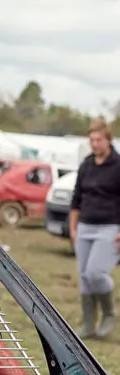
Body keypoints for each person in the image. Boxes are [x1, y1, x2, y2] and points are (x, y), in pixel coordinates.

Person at [70, 120, 120, 340]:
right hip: (85, 226)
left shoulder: (118, 165)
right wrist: (73, 228)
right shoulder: (87, 164)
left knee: (96, 273)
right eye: (91, 140)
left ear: (108, 140)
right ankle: (89, 324)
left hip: (109, 227)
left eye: (98, 139)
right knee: (84, 276)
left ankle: (109, 313)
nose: (94, 144)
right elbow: (76, 199)